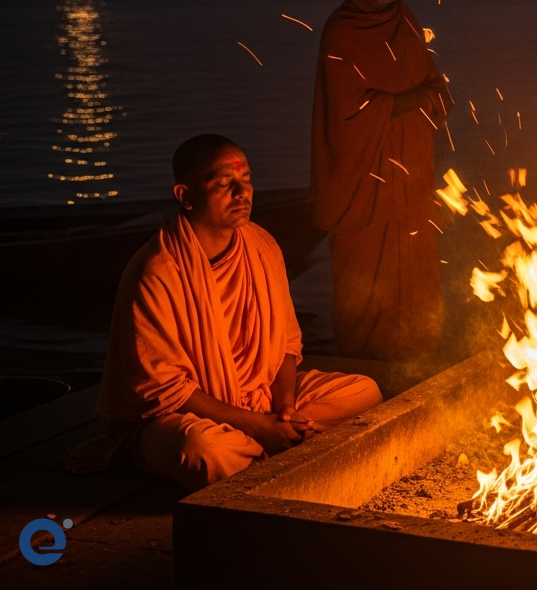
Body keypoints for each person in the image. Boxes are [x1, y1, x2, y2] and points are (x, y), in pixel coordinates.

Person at [93, 135, 382, 490]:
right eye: (223, 184)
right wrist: (258, 425)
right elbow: (167, 389)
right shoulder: (157, 271)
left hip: (262, 398)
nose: (242, 192)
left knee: (364, 392)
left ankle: (273, 441)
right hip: (186, 416)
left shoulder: (261, 246)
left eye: (246, 179)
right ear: (184, 196)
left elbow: (288, 344)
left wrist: (285, 407)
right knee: (203, 451)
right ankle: (276, 444)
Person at [312, 0, 453, 360]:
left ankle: (416, 372)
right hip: (363, 189)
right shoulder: (343, 30)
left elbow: (435, 89)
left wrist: (433, 98)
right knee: (365, 298)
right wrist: (416, 100)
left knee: (417, 288)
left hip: (408, 187)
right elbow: (349, 114)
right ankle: (365, 380)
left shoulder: (405, 19)